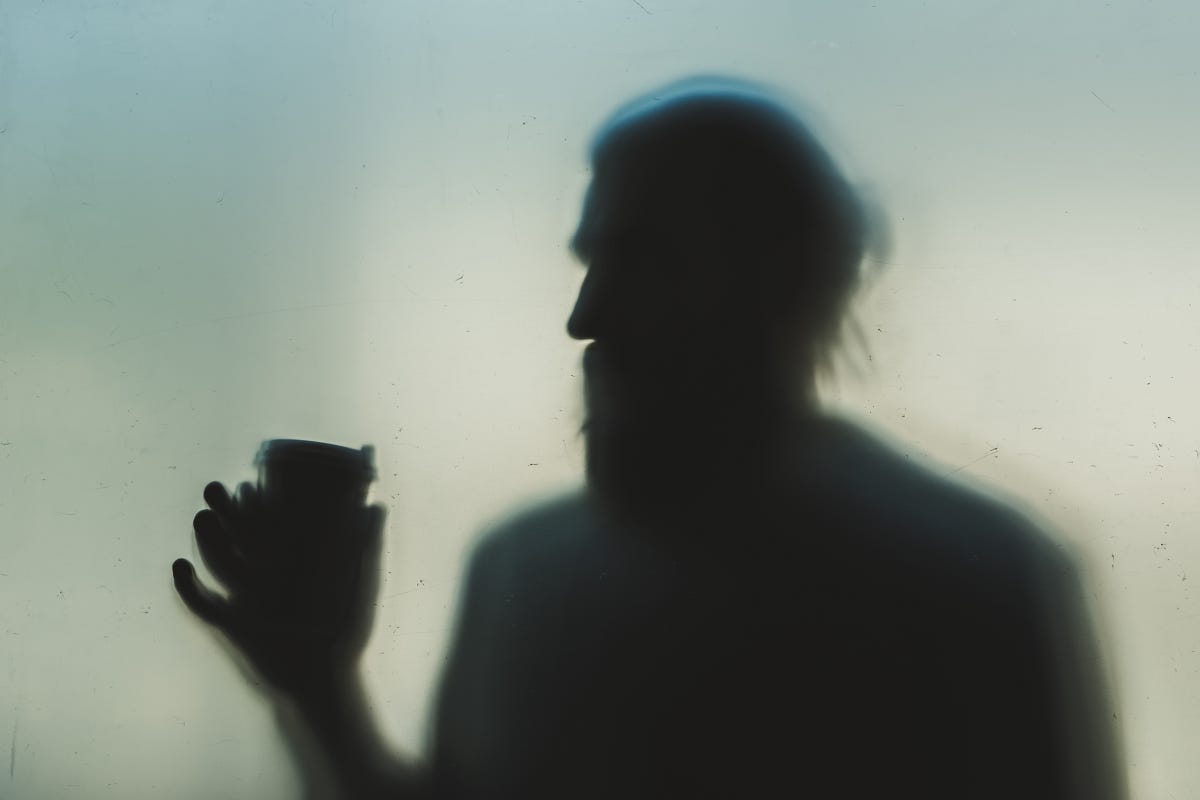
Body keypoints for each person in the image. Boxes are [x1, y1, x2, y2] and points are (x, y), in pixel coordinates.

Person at [173, 78, 1127, 799]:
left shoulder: (969, 583)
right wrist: (318, 692)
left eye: (648, 262)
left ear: (785, 281)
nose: (585, 318)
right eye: (594, 263)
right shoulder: (519, 570)